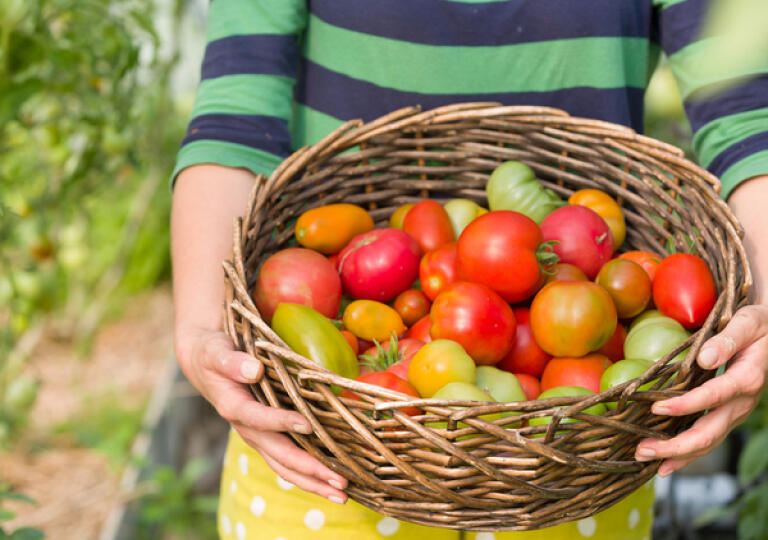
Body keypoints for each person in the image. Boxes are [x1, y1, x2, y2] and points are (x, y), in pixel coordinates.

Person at [170, 1, 768, 538]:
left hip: (575, 462)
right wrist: (200, 327)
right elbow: (235, 120)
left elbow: (746, 118)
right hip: (323, 441)